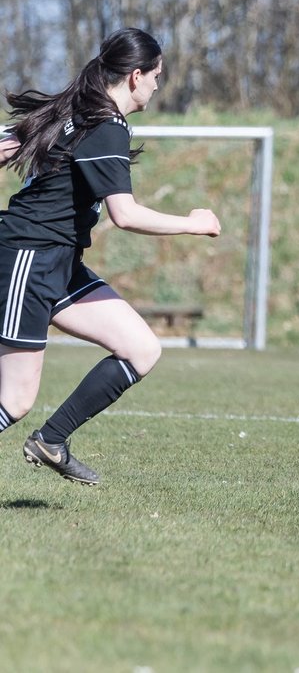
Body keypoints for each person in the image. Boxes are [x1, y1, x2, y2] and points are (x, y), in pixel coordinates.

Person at [0, 28, 221, 485]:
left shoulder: (77, 110)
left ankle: (52, 440)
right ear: (136, 75)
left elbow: (9, 143)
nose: (158, 86)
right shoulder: (106, 125)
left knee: (141, 348)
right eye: (157, 76)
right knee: (15, 400)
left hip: (59, 265)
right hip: (29, 257)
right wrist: (193, 223)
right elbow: (125, 214)